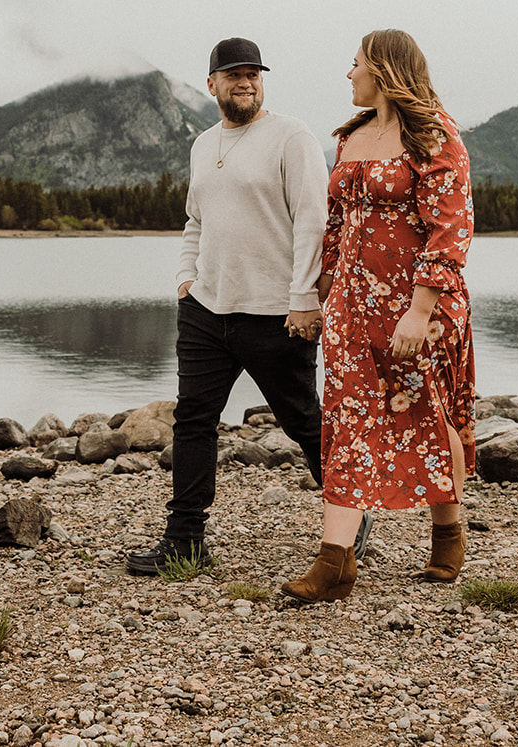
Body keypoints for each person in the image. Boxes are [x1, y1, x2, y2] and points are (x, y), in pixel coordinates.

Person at [126, 37, 371, 574]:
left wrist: (304, 300)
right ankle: (185, 540)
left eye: (253, 74)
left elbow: (313, 221)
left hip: (275, 313)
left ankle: (350, 518)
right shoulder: (202, 144)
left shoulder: (291, 136)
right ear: (211, 83)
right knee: (193, 420)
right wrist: (186, 278)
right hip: (205, 309)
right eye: (234, 74)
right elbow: (195, 220)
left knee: (303, 420)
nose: (245, 82)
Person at [280, 28, 475, 603]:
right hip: (351, 305)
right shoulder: (351, 137)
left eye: (356, 63)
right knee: (346, 421)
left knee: (430, 413)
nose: (349, 73)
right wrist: (319, 294)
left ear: (384, 71)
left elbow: (450, 230)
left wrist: (419, 310)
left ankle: (448, 533)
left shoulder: (435, 135)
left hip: (419, 306)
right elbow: (336, 225)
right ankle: (335, 561)